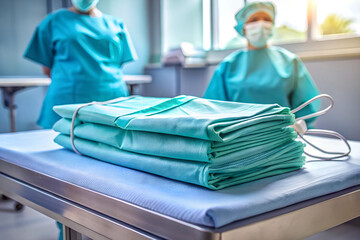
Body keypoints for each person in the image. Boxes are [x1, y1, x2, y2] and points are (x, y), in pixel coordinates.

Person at [24, 0, 137, 129]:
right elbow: (47, 68)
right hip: (67, 99)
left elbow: (118, 63)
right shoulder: (53, 21)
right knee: (62, 141)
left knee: (114, 141)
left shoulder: (116, 24)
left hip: (112, 99)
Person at [203, 1, 320, 123]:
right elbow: (213, 108)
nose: (261, 24)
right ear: (243, 27)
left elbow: (307, 105)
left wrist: (295, 127)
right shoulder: (228, 65)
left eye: (266, 19)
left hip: (281, 133)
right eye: (254, 20)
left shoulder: (290, 61)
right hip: (237, 136)